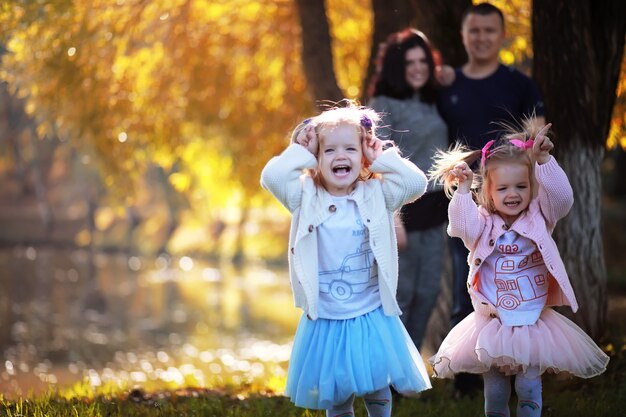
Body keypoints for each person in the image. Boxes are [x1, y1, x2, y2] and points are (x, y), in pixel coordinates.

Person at [260, 101, 432, 416]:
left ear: (363, 155)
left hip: (370, 313)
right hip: (326, 317)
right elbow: (271, 176)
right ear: (316, 158)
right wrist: (300, 151)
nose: (341, 156)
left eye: (350, 149)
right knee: (337, 393)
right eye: (329, 151)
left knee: (377, 385)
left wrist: (382, 157)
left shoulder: (376, 194)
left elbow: (416, 184)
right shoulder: (305, 196)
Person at [428, 120, 609, 417]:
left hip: (532, 320)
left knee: (527, 387)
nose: (513, 194)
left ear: (532, 187)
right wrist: (462, 190)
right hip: (493, 320)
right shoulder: (483, 223)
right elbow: (460, 227)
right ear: (488, 190)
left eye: (521, 186)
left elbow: (563, 199)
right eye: (503, 188)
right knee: (497, 391)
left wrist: (545, 161)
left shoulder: (540, 216)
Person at [437, 2, 546, 395]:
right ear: (464, 36)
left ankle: (522, 373)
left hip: (514, 204)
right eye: (474, 31)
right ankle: (468, 382)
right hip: (466, 200)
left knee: (516, 282)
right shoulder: (447, 85)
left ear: (501, 36)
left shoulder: (519, 84)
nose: (481, 37)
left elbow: (535, 135)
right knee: (469, 283)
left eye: (489, 30)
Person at [367, 28, 448, 351]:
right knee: (402, 292)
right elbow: (375, 163)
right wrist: (393, 219)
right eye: (409, 62)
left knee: (427, 292)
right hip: (404, 210)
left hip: (436, 210)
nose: (417, 67)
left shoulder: (433, 100)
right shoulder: (383, 104)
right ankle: (386, 371)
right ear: (396, 67)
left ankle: (407, 371)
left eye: (422, 60)